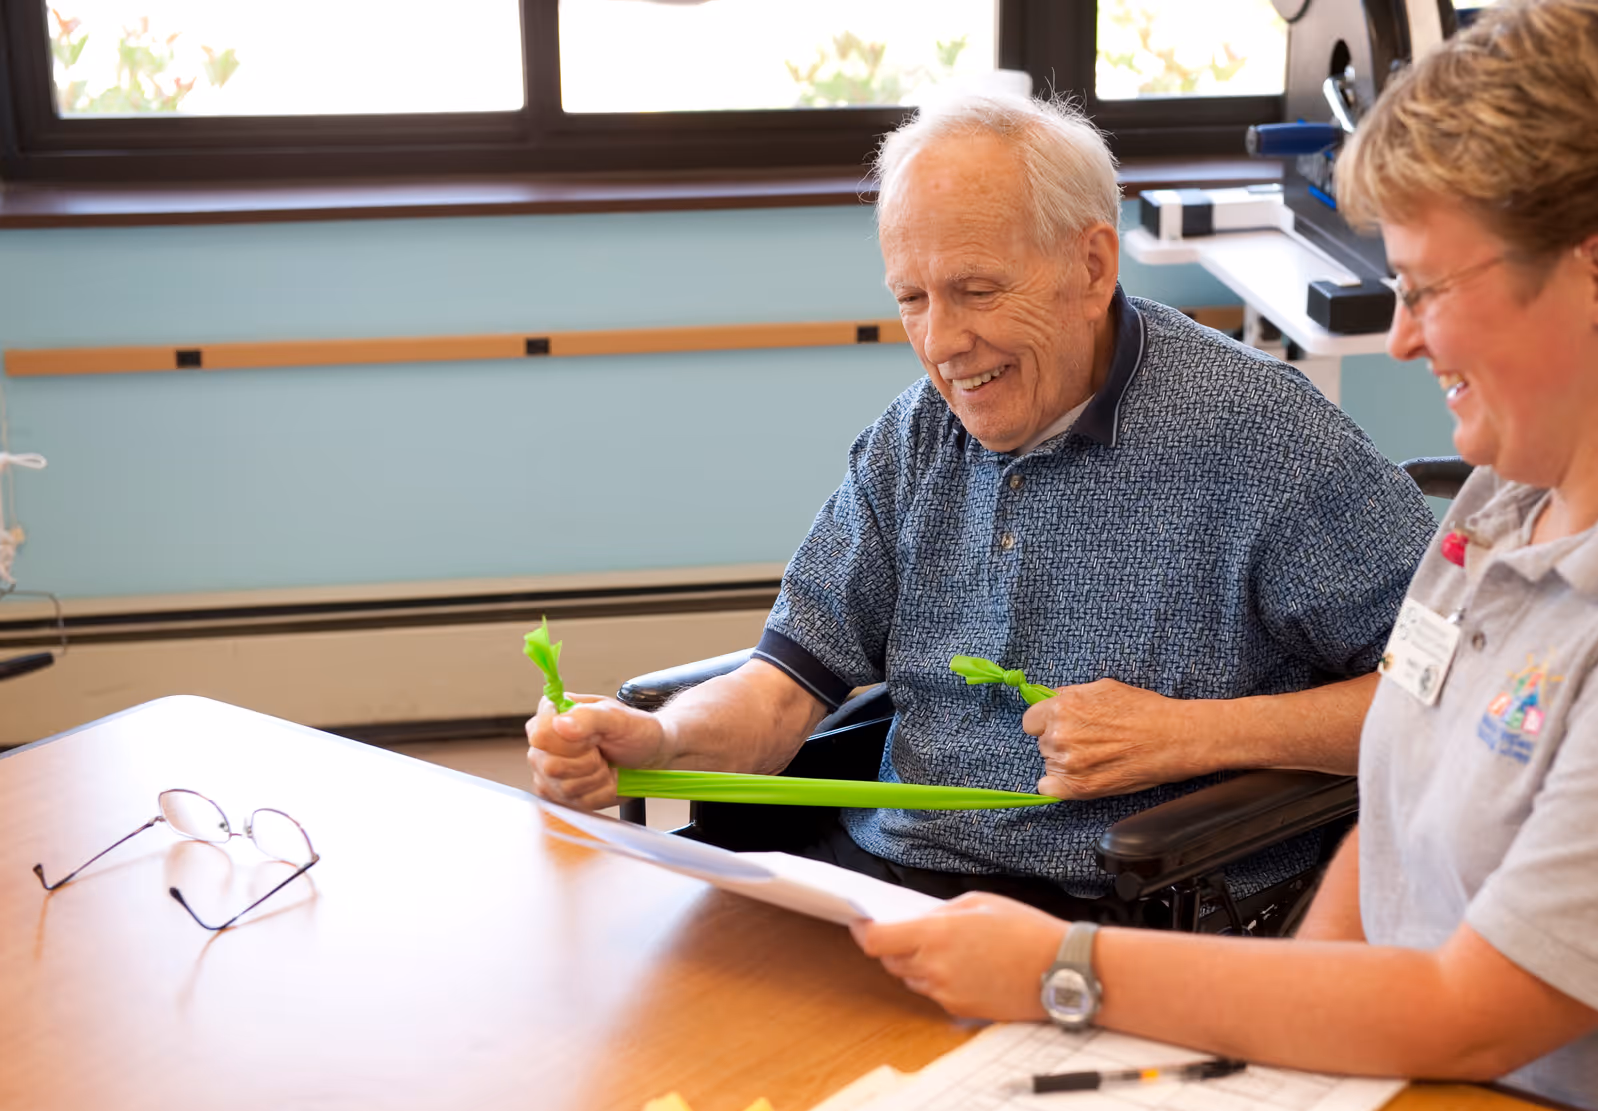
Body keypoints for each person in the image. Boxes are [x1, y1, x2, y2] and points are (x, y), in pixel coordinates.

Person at [849, 2, 1598, 1111]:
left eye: (1428, 288)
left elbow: (1473, 1014)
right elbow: (1398, 784)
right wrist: (1268, 1073)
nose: (1403, 335)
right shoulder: (1515, 492)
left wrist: (1062, 970)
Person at [526, 91, 1435, 922]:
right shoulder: (916, 437)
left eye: (976, 291)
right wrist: (656, 737)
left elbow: (1450, 696)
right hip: (893, 879)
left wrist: (1190, 735)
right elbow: (778, 695)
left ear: (1090, 264)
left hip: (1125, 905)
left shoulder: (1264, 438)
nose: (941, 344)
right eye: (912, 300)